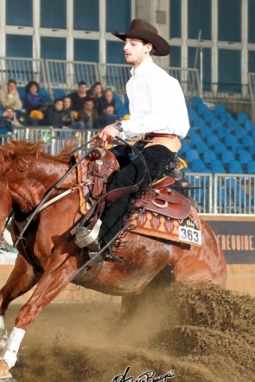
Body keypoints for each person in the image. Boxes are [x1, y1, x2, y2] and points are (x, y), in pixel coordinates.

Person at [89, 19, 189, 260]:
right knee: (97, 163)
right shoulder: (133, 80)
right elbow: (139, 125)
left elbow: (161, 120)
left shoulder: (160, 79)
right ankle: (87, 225)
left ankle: (105, 245)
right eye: (126, 43)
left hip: (163, 144)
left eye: (133, 43)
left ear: (148, 48)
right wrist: (112, 134)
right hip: (141, 142)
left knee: (125, 180)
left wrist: (120, 126)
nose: (126, 47)